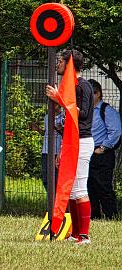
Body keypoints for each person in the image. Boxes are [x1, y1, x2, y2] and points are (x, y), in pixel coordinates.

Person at [45, 49, 94, 244]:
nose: (57, 65)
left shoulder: (83, 86)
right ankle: (75, 233)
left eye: (60, 61)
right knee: (72, 190)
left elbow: (80, 113)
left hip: (82, 141)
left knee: (80, 189)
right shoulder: (73, 85)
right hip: (72, 141)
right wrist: (61, 148)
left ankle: (84, 235)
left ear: (70, 64)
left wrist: (59, 98)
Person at [87, 79, 119, 220]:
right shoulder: (86, 111)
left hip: (101, 154)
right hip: (88, 152)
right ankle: (94, 216)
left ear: (98, 94)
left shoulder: (106, 110)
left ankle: (111, 215)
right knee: (89, 187)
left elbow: (116, 131)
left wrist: (104, 147)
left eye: (90, 94)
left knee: (103, 186)